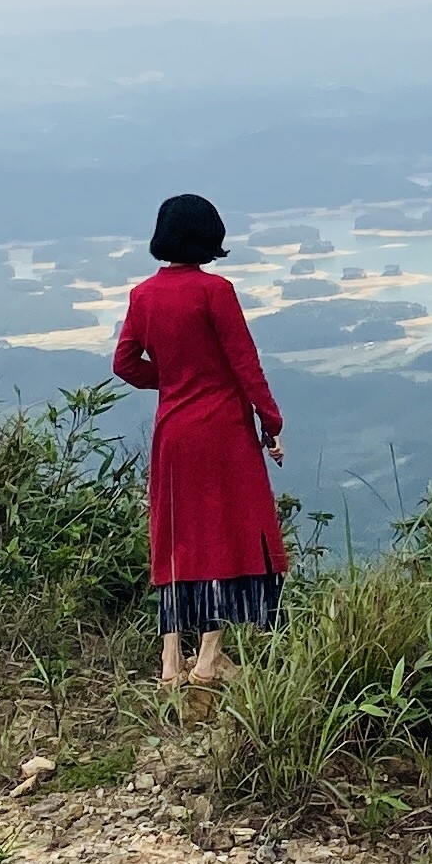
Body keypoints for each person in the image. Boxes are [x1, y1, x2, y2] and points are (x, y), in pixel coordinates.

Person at [110, 191, 288, 707]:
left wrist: (172, 379)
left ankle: (170, 662)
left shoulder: (143, 295)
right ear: (211, 237)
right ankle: (208, 660)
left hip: (174, 430)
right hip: (223, 430)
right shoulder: (216, 292)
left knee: (177, 536)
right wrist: (271, 421)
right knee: (227, 533)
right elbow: (244, 365)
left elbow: (125, 363)